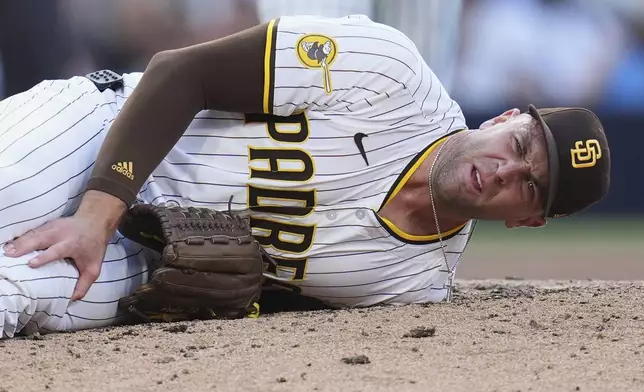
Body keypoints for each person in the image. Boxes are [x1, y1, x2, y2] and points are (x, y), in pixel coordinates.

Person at [0, 15, 610, 338]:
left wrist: (243, 300)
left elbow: (271, 303)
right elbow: (180, 73)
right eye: (521, 143)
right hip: (103, 137)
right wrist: (94, 216)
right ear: (506, 115)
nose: (505, 169)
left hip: (146, 256)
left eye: (530, 184)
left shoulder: (411, 285)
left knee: (27, 294)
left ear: (527, 219)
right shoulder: (391, 74)